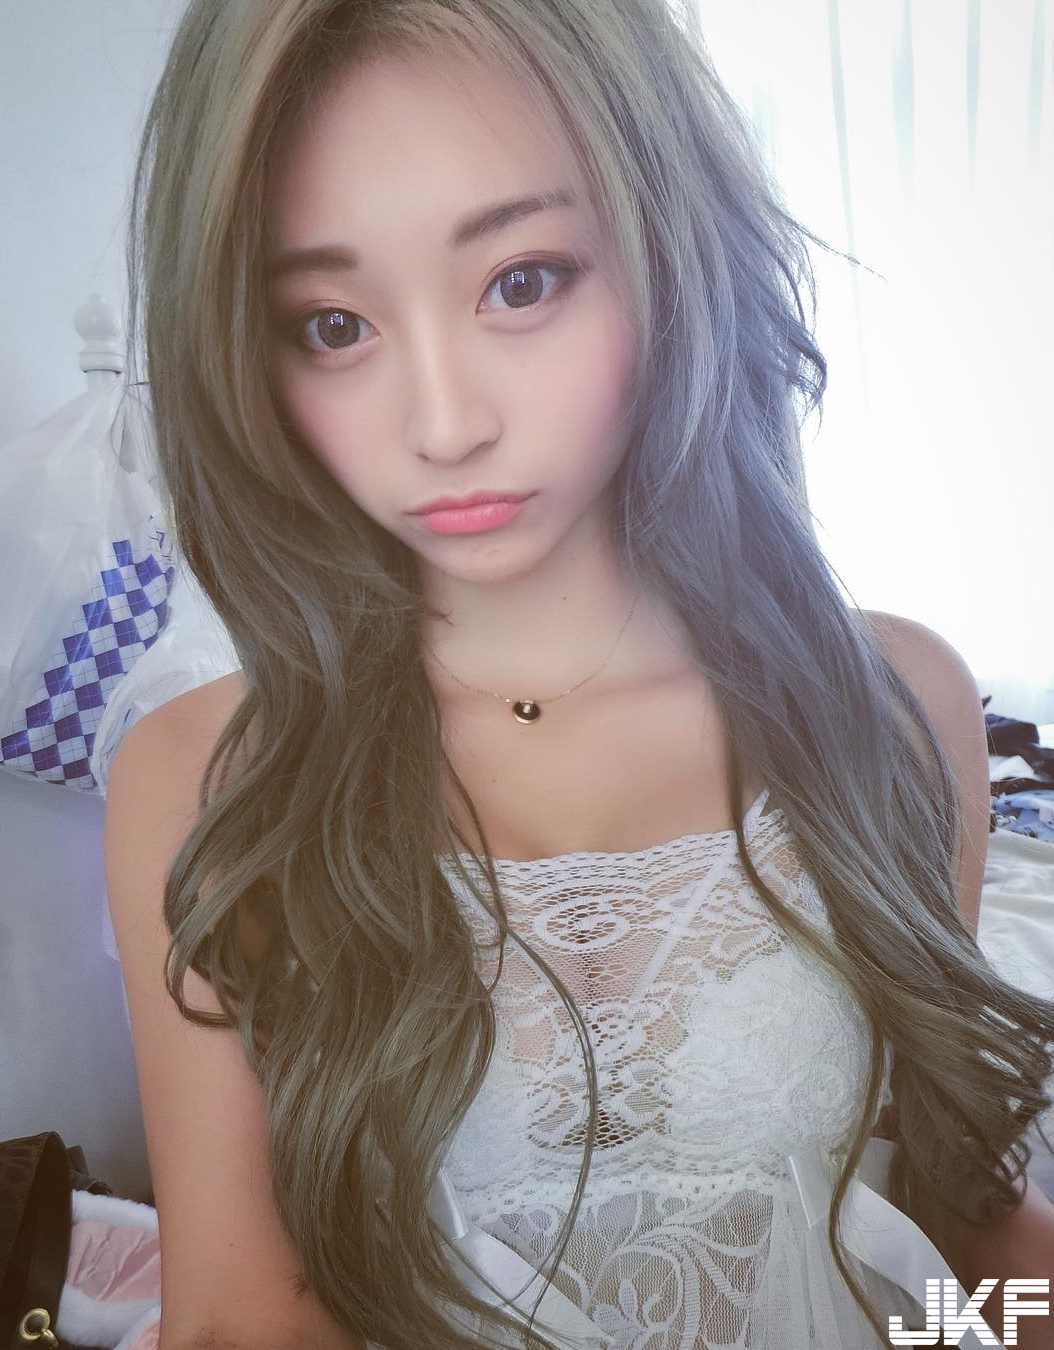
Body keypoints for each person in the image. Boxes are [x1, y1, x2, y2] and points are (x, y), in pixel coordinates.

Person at [103, 1, 1054, 1347]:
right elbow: (236, 1322)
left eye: (522, 281)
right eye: (332, 325)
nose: (445, 425)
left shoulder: (891, 702)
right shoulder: (212, 782)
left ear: (670, 249)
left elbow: (964, 1216)